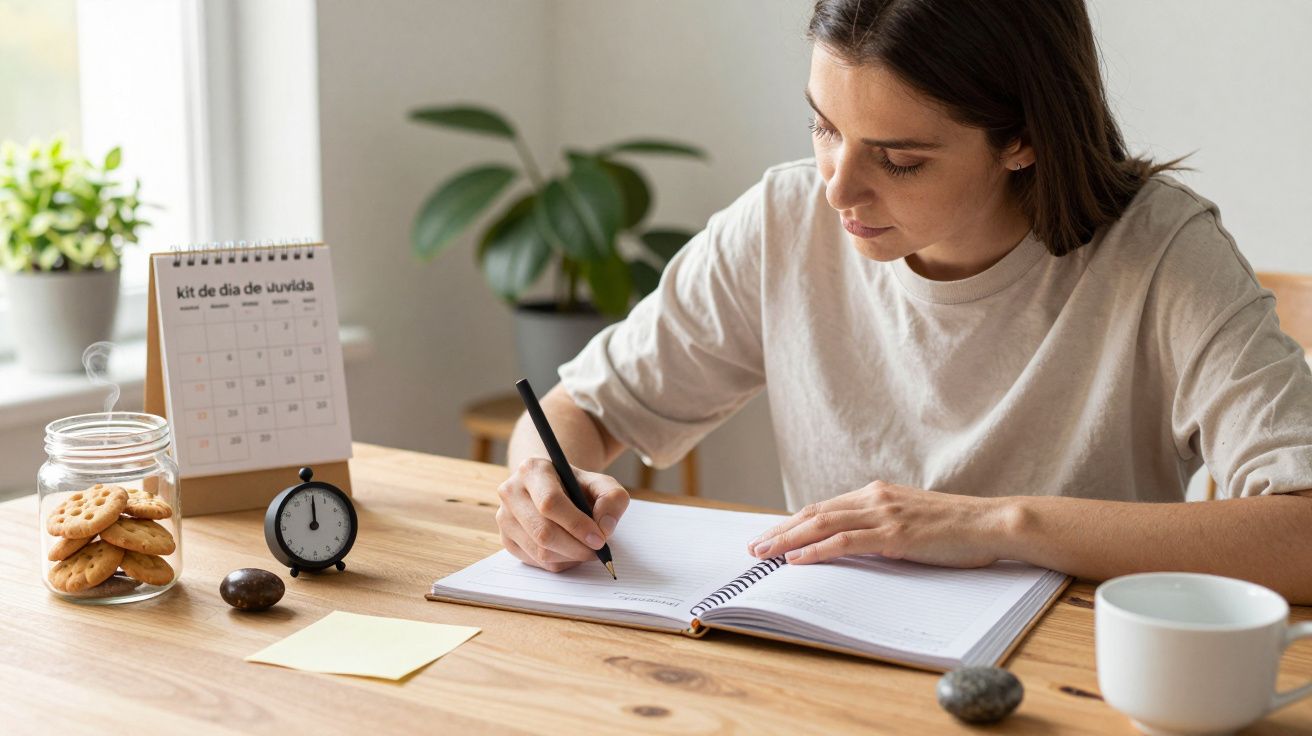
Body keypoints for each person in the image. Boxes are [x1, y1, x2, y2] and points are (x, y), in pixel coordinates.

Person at [495, 0, 1312, 603]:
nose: (838, 189)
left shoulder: (1161, 253)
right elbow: (580, 411)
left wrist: (994, 526)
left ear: (1023, 138)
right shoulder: (784, 222)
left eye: (900, 160)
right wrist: (542, 485)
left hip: (1075, 672)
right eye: (824, 128)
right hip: (835, 660)